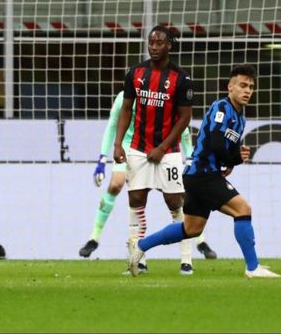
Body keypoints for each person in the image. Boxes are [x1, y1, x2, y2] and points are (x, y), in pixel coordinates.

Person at [129, 65, 279, 278]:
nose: (247, 91)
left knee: (192, 228)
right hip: (202, 174)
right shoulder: (221, 108)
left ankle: (141, 245)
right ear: (230, 87)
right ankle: (253, 267)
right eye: (242, 85)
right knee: (243, 210)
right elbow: (217, 145)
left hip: (200, 175)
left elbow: (225, 151)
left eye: (251, 87)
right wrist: (232, 159)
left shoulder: (241, 118)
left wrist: (236, 158)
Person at [79, 91, 217, 262]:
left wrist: (189, 157)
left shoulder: (162, 96)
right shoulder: (124, 97)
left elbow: (182, 129)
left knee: (176, 197)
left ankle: (198, 242)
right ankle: (95, 238)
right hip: (130, 147)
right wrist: (102, 159)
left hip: (159, 150)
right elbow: (112, 124)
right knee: (117, 184)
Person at [113, 26, 196, 275]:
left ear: (170, 45)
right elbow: (126, 108)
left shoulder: (181, 78)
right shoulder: (136, 72)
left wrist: (162, 146)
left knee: (174, 202)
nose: (154, 46)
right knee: (136, 199)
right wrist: (118, 143)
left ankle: (186, 258)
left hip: (168, 150)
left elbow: (184, 118)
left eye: (160, 42)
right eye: (151, 42)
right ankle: (138, 258)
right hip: (138, 148)